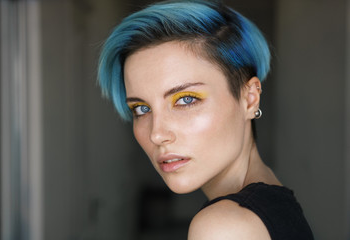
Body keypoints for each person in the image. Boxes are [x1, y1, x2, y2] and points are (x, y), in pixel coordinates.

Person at [98, 0, 314, 239]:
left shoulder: (224, 228)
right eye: (141, 108)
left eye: (186, 99)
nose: (156, 134)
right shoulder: (274, 206)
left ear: (250, 99)